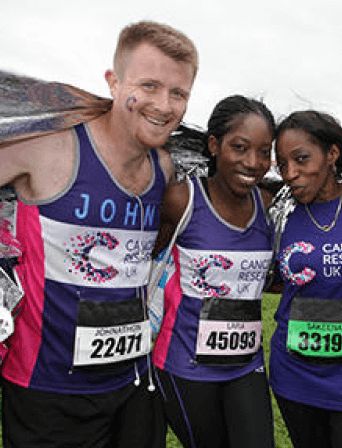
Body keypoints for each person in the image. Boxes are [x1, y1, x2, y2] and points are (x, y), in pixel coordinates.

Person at [0, 21, 198, 448]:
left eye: (178, 93)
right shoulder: (47, 149)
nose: (164, 105)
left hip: (132, 384)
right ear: (113, 81)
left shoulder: (162, 168)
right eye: (149, 85)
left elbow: (161, 233)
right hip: (47, 389)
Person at [151, 96, 276, 448]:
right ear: (214, 146)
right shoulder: (181, 200)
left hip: (246, 364)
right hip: (184, 365)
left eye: (264, 151)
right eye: (240, 147)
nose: (253, 163)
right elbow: (144, 260)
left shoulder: (267, 205)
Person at [268, 110, 342, 448]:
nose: (290, 173)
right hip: (295, 375)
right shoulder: (279, 212)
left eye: (302, 159)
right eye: (282, 164)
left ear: (332, 154)